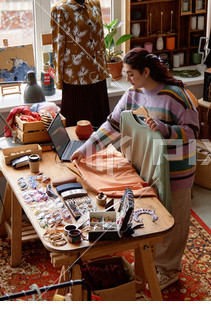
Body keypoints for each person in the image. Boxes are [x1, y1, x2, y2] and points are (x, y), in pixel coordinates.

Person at [71, 47, 200, 289]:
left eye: (130, 73)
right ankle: (153, 261)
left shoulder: (176, 96)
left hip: (177, 169)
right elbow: (111, 125)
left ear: (146, 71)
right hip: (147, 165)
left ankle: (169, 269)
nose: (126, 78)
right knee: (152, 214)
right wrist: (84, 149)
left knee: (175, 219)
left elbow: (193, 133)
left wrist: (164, 128)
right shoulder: (132, 94)